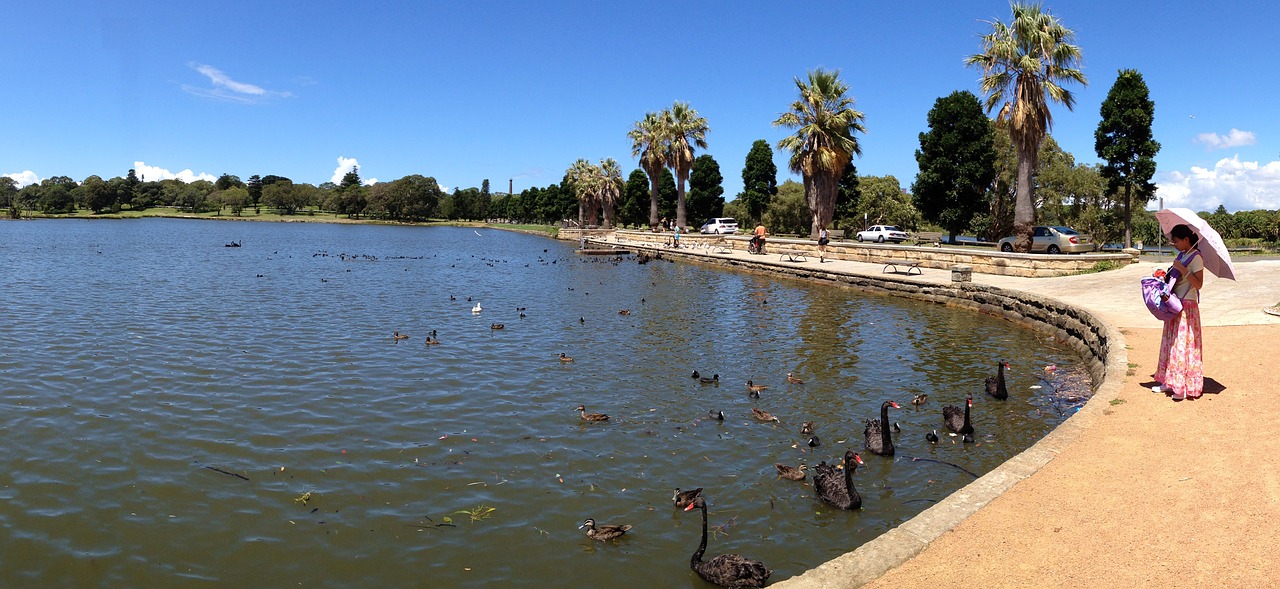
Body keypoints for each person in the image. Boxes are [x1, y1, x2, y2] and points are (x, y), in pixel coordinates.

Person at [1153, 223, 1205, 400]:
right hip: (1175, 304)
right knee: (1171, 342)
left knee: (1183, 344)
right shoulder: (1183, 255)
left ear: (1186, 240)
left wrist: (1183, 271)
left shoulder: (1196, 257)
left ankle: (1182, 386)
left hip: (1187, 307)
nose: (1174, 244)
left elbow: (1199, 284)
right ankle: (1169, 381)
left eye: (1176, 241)